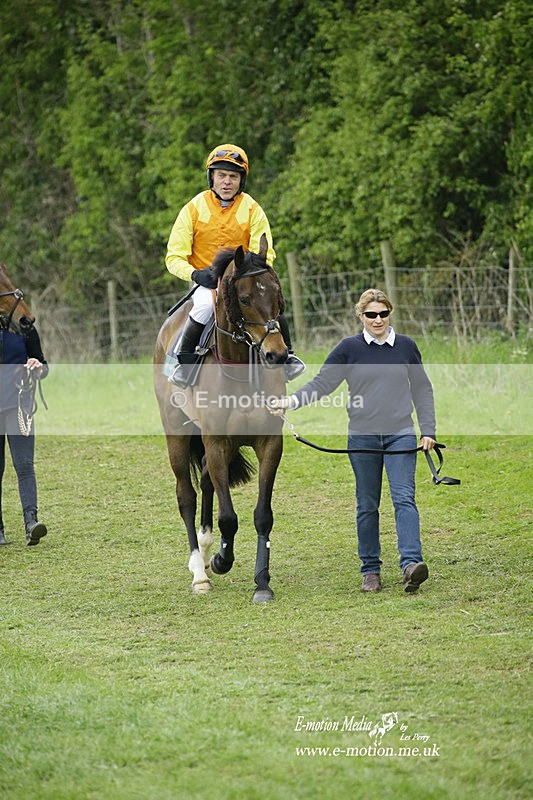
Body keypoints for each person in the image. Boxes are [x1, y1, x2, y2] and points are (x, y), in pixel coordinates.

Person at [269, 288, 436, 593]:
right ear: (361, 316)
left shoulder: (406, 347)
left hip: (401, 434)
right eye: (371, 314)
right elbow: (323, 383)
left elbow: (422, 389)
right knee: (367, 504)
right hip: (363, 436)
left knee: (404, 499)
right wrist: (290, 402)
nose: (378, 320)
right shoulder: (349, 348)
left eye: (383, 314)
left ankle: (411, 565)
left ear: (390, 313)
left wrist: (428, 431)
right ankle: (370, 571)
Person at [165, 143, 304, 386]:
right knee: (204, 309)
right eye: (221, 176)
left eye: (233, 176)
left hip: (243, 283)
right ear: (212, 178)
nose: (227, 182)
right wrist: (196, 275)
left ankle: (288, 357)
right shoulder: (193, 208)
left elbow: (265, 253)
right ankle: (183, 364)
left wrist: (251, 277)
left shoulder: (252, 209)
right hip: (207, 286)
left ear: (241, 181)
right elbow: (173, 257)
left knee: (271, 306)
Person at [0, 323, 48, 546]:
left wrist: (37, 366)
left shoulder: (25, 329)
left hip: (20, 405)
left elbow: (43, 368)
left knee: (25, 465)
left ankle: (31, 523)